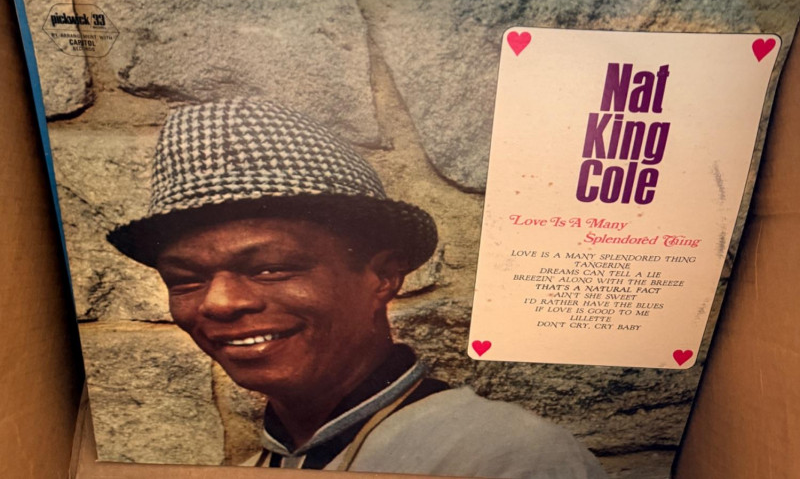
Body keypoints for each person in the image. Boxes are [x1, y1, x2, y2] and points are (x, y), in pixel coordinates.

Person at [108, 98, 607, 477]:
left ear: (382, 277)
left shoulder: (504, 458)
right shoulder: (268, 461)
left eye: (270, 268)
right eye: (185, 280)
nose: (219, 302)